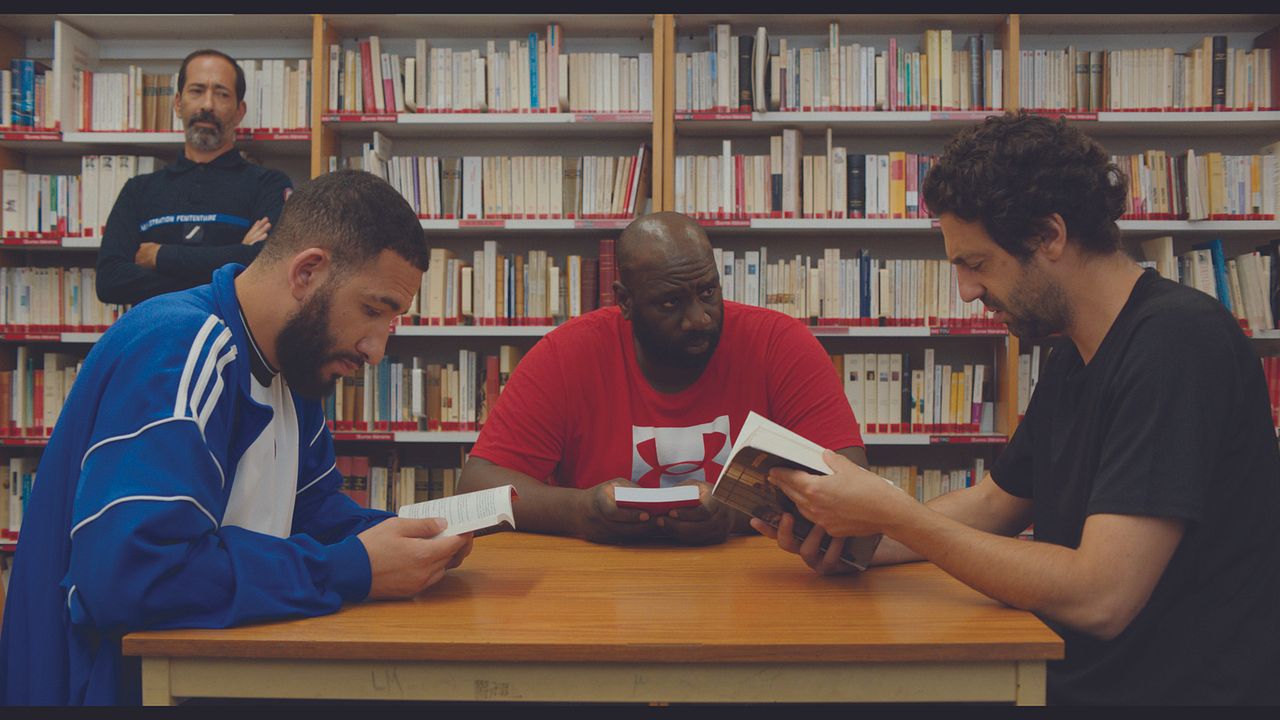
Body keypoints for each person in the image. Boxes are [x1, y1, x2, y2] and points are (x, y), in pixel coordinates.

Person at [755, 112, 1280, 705]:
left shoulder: (1177, 344)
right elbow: (994, 503)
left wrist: (897, 515)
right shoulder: (1078, 351)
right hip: (1068, 671)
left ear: (1050, 235)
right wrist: (855, 538)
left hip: (1163, 695)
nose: (966, 292)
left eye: (976, 264)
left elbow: (1101, 597)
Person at [0, 170, 473, 706]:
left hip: (207, 672)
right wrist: (353, 569)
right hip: (115, 688)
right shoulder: (182, 348)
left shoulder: (293, 367)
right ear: (308, 272)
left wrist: (415, 536)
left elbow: (312, 513)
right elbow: (130, 576)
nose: (376, 350)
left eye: (392, 320)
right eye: (372, 309)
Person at [457, 211, 867, 545]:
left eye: (708, 292)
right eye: (671, 302)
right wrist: (579, 512)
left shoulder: (780, 343)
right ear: (625, 302)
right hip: (594, 594)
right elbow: (476, 489)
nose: (698, 318)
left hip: (751, 590)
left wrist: (736, 511)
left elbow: (851, 482)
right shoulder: (566, 355)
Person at [95, 48, 293, 307]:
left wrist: (159, 256)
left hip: (233, 343)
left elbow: (269, 267)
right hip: (156, 342)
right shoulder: (139, 190)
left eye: (221, 94)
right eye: (197, 91)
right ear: (178, 103)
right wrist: (234, 262)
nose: (208, 105)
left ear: (239, 111)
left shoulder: (268, 184)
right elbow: (110, 282)